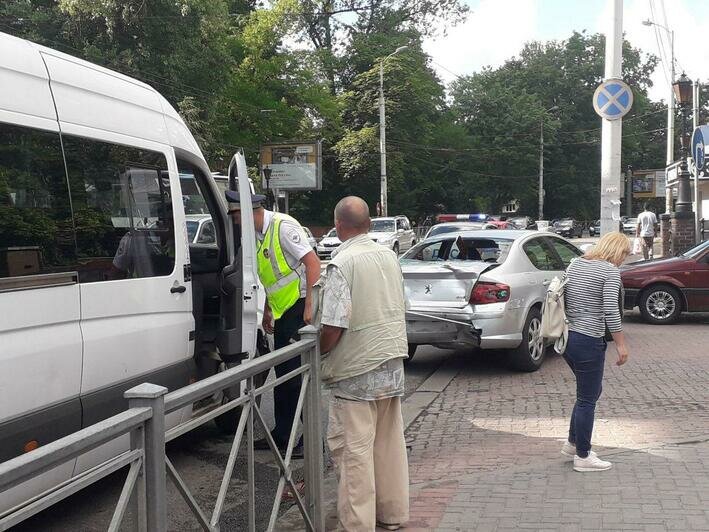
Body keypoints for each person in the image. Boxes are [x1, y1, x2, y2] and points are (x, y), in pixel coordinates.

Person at [318, 196, 409, 531]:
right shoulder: (389, 256)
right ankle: (393, 513)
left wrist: (322, 351)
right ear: (369, 224)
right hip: (391, 364)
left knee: (355, 453)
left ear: (339, 226)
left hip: (354, 371)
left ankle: (358, 525)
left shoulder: (343, 263)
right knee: (388, 446)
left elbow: (334, 324)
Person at [225, 190, 321, 458]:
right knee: (283, 374)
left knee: (295, 376)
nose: (235, 223)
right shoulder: (255, 235)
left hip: (299, 308)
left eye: (236, 217)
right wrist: (267, 309)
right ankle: (283, 434)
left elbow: (313, 264)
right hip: (282, 312)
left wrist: (311, 304)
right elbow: (271, 276)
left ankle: (312, 440)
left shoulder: (283, 226)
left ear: (249, 212)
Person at [561, 232, 631, 472]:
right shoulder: (610, 271)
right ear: (615, 251)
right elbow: (611, 310)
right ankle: (583, 456)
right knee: (587, 399)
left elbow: (566, 299)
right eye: (624, 254)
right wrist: (621, 344)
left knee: (588, 393)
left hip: (567, 338)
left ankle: (573, 443)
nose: (624, 259)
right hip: (589, 340)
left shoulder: (576, 263)